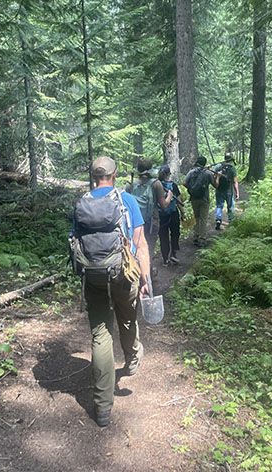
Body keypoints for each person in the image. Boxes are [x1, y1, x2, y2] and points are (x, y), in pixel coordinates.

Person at [73, 156, 150, 428]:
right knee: (127, 319)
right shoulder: (126, 200)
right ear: (114, 175)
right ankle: (131, 360)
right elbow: (140, 245)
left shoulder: (82, 203)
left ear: (94, 176)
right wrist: (145, 278)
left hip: (92, 277)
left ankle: (103, 407)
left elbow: (76, 243)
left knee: (100, 335)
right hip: (123, 274)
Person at [127, 157, 171, 275]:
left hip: (135, 222)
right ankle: (147, 275)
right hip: (152, 221)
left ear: (138, 169)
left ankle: (137, 272)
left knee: (135, 248)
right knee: (148, 248)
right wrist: (170, 196)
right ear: (150, 169)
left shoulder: (131, 184)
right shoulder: (156, 184)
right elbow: (163, 205)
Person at [183, 156, 219, 246]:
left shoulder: (191, 172)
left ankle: (196, 236)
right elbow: (216, 185)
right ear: (205, 163)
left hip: (194, 198)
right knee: (203, 219)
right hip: (204, 198)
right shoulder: (208, 173)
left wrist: (191, 189)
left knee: (196, 217)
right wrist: (218, 177)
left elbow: (184, 183)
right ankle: (202, 239)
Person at [157, 164, 184, 265]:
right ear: (169, 174)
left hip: (161, 215)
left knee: (163, 236)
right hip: (173, 213)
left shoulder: (156, 185)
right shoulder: (173, 185)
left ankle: (165, 259)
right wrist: (182, 212)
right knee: (175, 233)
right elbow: (179, 200)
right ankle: (173, 253)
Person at [213, 152, 240, 230]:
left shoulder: (218, 167)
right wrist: (237, 193)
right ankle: (231, 221)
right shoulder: (232, 168)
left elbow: (214, 176)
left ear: (225, 158)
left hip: (219, 190)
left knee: (219, 205)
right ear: (231, 160)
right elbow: (235, 181)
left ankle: (218, 219)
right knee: (230, 206)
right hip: (229, 190)